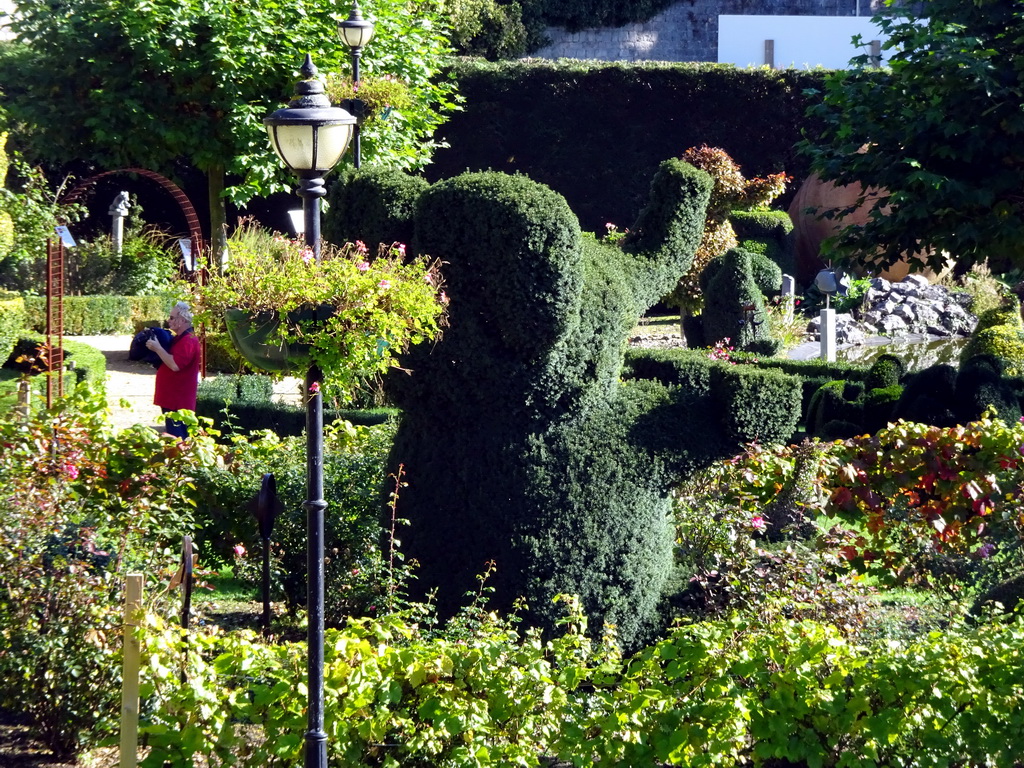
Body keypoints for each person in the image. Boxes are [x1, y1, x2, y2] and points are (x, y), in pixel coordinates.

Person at [147, 301, 200, 439]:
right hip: (172, 398)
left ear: (182, 320)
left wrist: (157, 348)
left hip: (178, 400)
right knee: (175, 437)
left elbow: (175, 365)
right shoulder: (180, 338)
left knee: (178, 439)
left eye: (171, 317)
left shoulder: (189, 340)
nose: (168, 320)